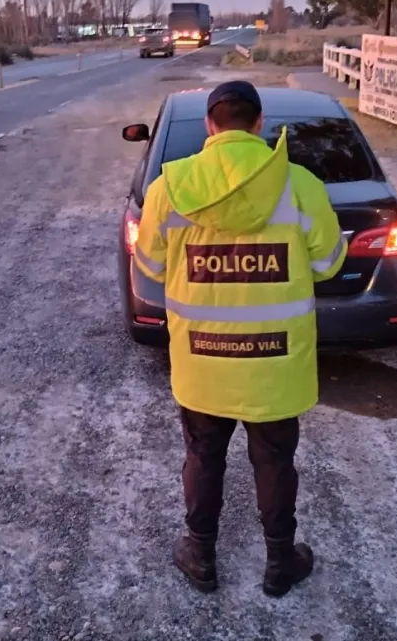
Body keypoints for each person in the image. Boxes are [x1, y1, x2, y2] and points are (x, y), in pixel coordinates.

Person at [131, 80, 347, 597]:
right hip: (275, 362)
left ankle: (200, 554)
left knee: (203, 456)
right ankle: (280, 562)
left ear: (210, 127)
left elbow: (150, 266)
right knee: (274, 460)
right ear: (259, 123)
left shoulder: (169, 187)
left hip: (202, 359)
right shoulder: (300, 185)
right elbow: (328, 263)